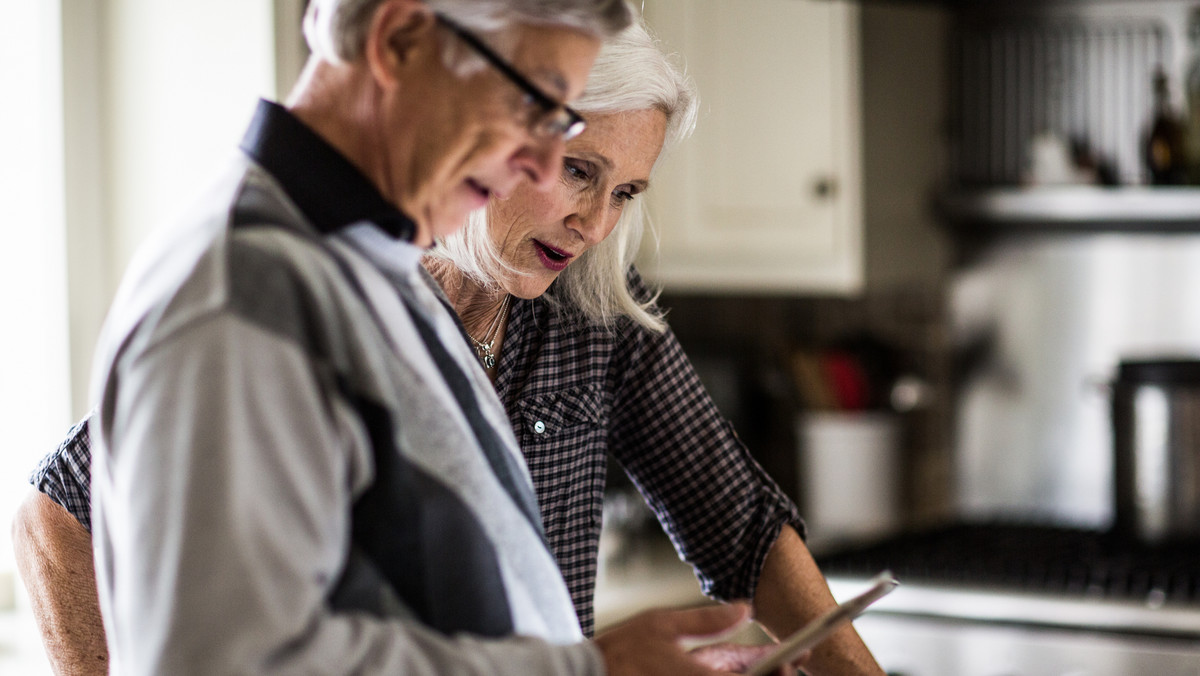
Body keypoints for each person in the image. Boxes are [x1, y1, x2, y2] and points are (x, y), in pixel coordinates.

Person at [14, 11, 882, 676]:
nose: (546, 176)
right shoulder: (247, 295)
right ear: (397, 40)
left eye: (617, 186)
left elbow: (737, 527)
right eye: (536, 113)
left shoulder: (371, 270)